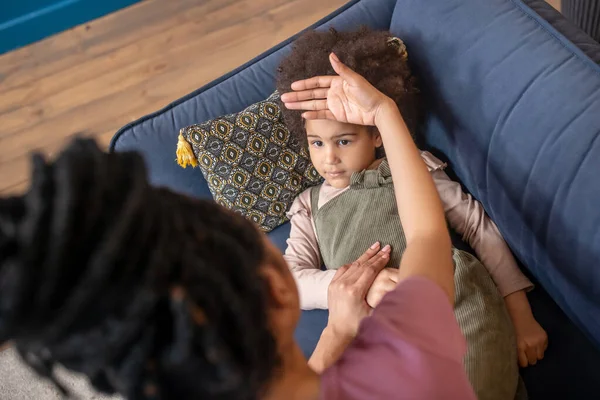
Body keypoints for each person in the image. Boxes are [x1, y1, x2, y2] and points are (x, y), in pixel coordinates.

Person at [0, 57, 476, 399]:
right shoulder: (409, 358)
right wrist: (383, 114)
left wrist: (334, 334)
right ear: (277, 287)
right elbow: (429, 238)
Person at [277, 28, 547, 399]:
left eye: (343, 141)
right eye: (317, 143)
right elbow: (290, 280)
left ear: (375, 135)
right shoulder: (308, 205)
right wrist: (356, 285)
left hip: (456, 307)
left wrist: (520, 311)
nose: (329, 158)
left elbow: (475, 226)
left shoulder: (411, 167)